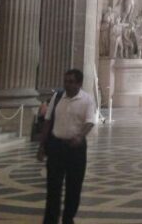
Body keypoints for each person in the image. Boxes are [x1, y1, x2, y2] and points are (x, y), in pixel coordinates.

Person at [38, 68, 96, 224]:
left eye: (71, 82)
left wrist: (80, 136)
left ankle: (68, 219)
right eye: (65, 81)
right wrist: (42, 146)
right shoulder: (57, 97)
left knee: (74, 187)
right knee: (53, 187)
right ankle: (50, 220)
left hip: (75, 149)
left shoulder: (87, 100)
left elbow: (90, 122)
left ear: (79, 83)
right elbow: (48, 121)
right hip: (56, 146)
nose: (67, 85)